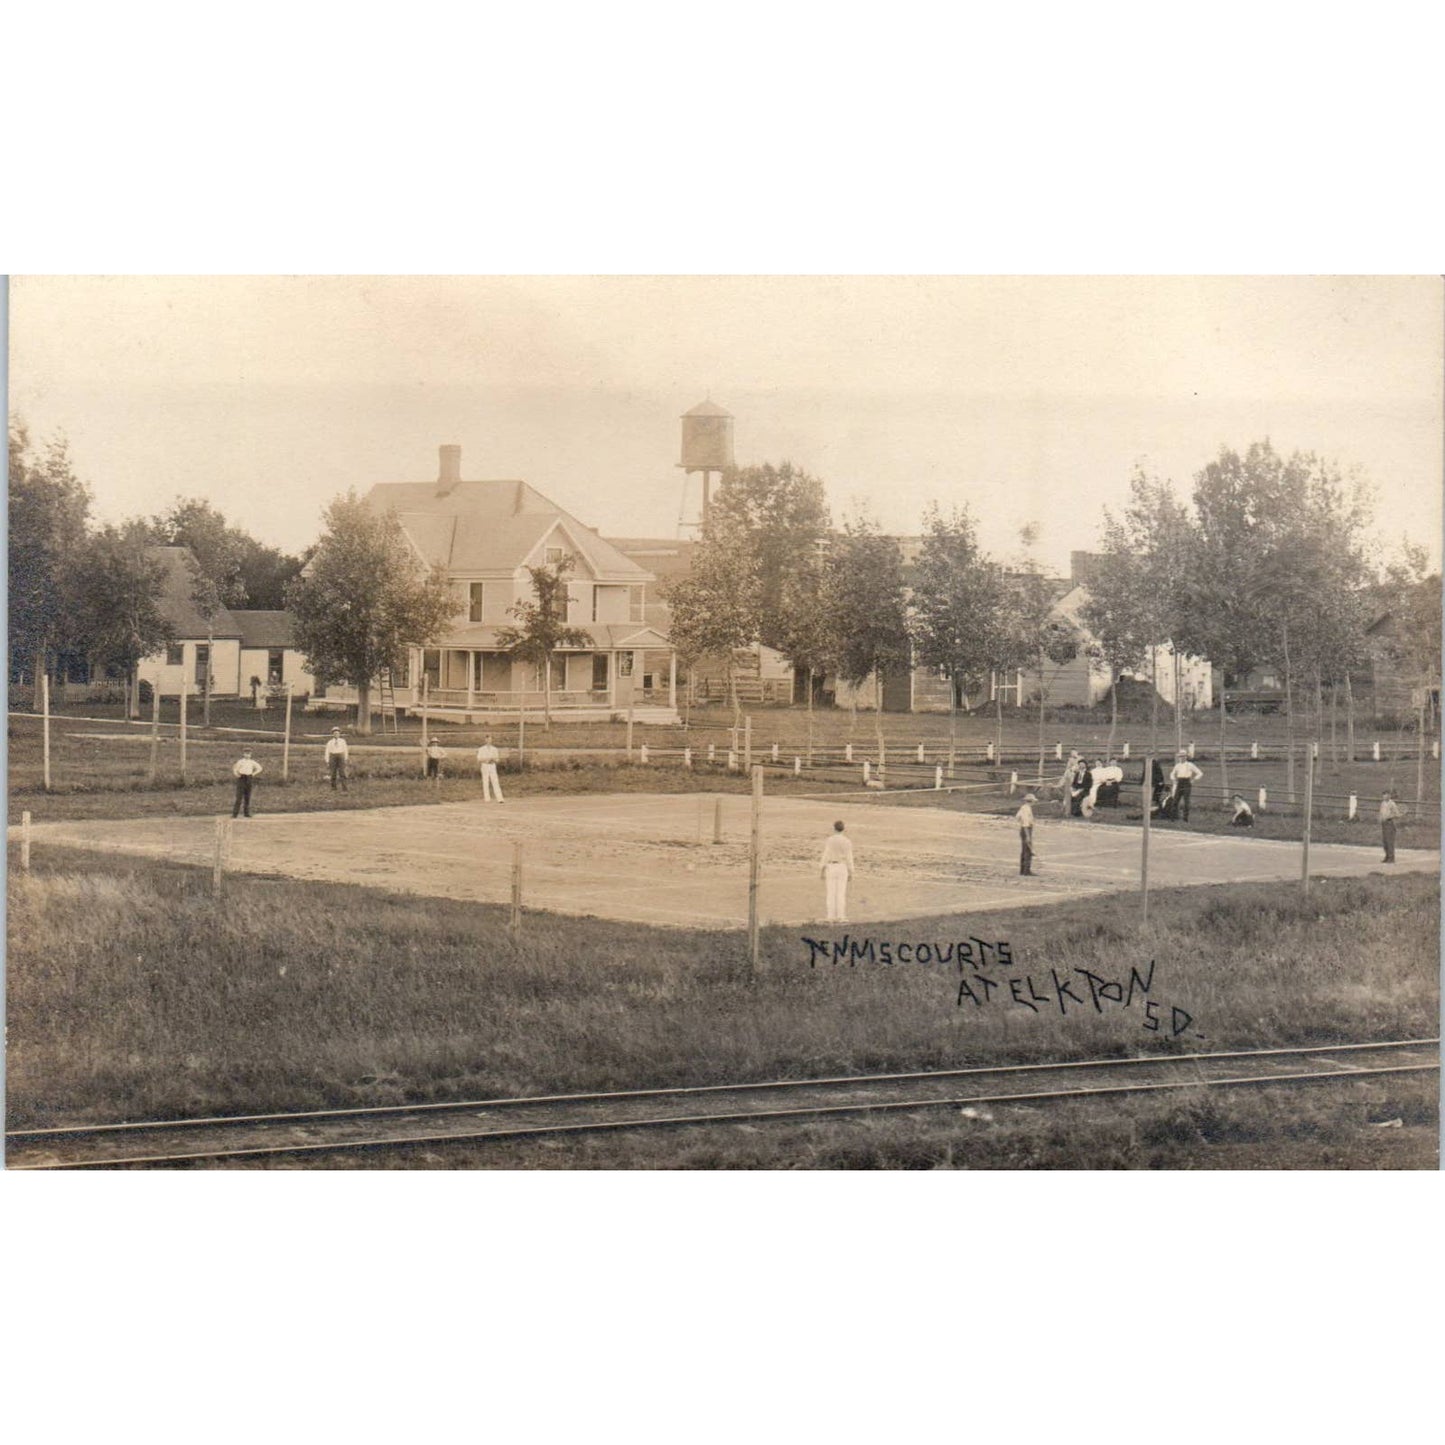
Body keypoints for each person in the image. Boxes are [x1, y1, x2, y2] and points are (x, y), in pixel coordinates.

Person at [819, 819, 855, 922]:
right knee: (841, 893)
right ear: (843, 829)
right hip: (842, 867)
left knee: (830, 893)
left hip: (831, 867)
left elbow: (826, 855)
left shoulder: (830, 840)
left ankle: (830, 916)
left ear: (834, 828)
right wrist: (851, 871)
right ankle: (841, 916)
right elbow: (849, 857)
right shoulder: (847, 841)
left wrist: (822, 868)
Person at [1168, 751, 1203, 822]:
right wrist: (1173, 779)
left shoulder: (1190, 765)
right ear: (1179, 757)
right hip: (1179, 782)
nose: (1182, 758)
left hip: (1187, 782)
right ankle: (1172, 818)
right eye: (1180, 756)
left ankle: (1185, 818)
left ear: (1186, 757)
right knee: (1175, 800)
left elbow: (1200, 773)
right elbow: (1172, 773)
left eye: (1183, 756)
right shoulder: (1177, 766)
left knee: (1186, 801)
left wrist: (1194, 779)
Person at [231, 749, 262, 818]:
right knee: (239, 797)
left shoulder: (252, 762)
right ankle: (235, 814)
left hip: (249, 778)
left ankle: (246, 813)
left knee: (247, 797)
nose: (247, 755)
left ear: (251, 755)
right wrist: (237, 775)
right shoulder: (240, 761)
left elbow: (259, 768)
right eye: (246, 753)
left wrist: (253, 774)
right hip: (242, 778)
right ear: (243, 754)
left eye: (249, 754)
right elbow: (235, 769)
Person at [476, 733, 504, 802]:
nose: (488, 740)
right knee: (485, 781)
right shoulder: (481, 749)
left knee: (495, 781)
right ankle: (487, 798)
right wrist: (486, 760)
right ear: (485, 740)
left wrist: (493, 760)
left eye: (490, 739)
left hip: (492, 766)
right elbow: (479, 759)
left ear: (491, 740)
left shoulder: (495, 749)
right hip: (485, 766)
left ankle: (499, 798)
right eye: (487, 739)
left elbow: (497, 759)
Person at [1015, 792, 1037, 876]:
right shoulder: (1027, 809)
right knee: (1027, 850)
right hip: (1026, 829)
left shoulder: (1023, 808)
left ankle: (1023, 869)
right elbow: (1026, 823)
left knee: (1025, 849)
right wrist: (1028, 836)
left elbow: (1017, 817)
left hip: (1023, 829)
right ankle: (1026, 870)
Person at [1380, 790, 1403, 862]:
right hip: (1384, 823)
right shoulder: (1382, 803)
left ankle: (1391, 858)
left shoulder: (1392, 804)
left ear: (1389, 796)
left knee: (1390, 841)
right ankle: (1387, 856)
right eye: (1383, 795)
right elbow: (1381, 813)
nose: (1385, 796)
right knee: (1385, 842)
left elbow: (1397, 814)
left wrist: (1389, 816)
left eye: (1386, 794)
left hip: (1390, 823)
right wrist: (1381, 818)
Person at [324, 727, 349, 792]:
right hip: (333, 756)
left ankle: (344, 788)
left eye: (337, 733)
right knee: (333, 773)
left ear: (339, 734)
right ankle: (333, 788)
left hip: (341, 756)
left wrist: (345, 758)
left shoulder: (342, 741)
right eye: (335, 733)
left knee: (342, 772)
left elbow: (345, 750)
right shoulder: (330, 742)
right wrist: (327, 760)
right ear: (332, 734)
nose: (336, 734)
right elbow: (327, 751)